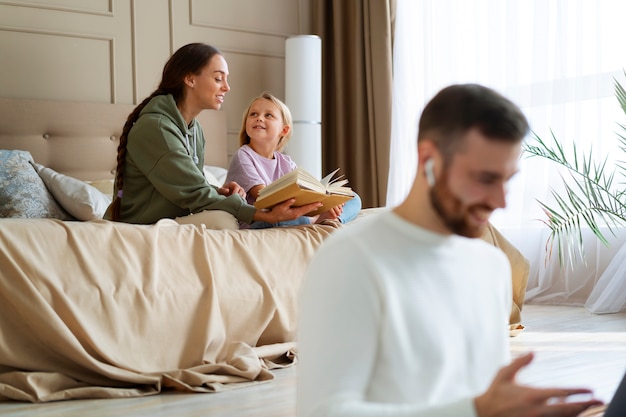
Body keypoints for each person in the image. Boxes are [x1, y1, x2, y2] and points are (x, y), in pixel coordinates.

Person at [297, 84, 603, 417]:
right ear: (429, 160)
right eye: (485, 179)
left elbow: (482, 398)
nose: (500, 201)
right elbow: (325, 412)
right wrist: (475, 410)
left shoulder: (492, 266)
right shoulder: (351, 260)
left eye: (507, 179)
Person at [104, 43, 320, 228]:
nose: (227, 87)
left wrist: (220, 191)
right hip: (145, 224)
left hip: (174, 215)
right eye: (218, 78)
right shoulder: (156, 128)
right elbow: (193, 193)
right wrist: (260, 214)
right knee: (223, 220)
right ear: (190, 79)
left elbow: (190, 184)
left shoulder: (194, 129)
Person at [225, 92, 361, 229]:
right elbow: (265, 197)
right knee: (280, 218)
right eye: (253, 114)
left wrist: (329, 201)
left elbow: (304, 190)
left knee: (352, 197)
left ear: (284, 130)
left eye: (268, 115)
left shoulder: (285, 161)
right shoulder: (243, 156)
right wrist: (311, 206)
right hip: (260, 220)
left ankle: (333, 220)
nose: (259, 118)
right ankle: (315, 220)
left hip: (289, 212)